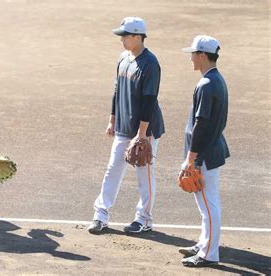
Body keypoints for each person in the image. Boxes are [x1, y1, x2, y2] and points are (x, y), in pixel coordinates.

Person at [88, 17, 165, 234]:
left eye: (124, 36)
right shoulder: (123, 58)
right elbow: (116, 90)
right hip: (123, 126)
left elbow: (150, 100)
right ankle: (100, 215)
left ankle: (144, 219)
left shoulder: (150, 64)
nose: (121, 39)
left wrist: (141, 135)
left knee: (144, 173)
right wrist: (112, 119)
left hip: (145, 129)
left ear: (137, 37)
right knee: (113, 169)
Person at [178, 35, 229, 267]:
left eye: (193, 53)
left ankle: (209, 254)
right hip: (209, 150)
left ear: (202, 55)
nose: (190, 57)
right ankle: (204, 243)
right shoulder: (215, 79)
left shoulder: (208, 84)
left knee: (209, 204)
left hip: (204, 154)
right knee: (205, 204)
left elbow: (202, 124)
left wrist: (191, 159)